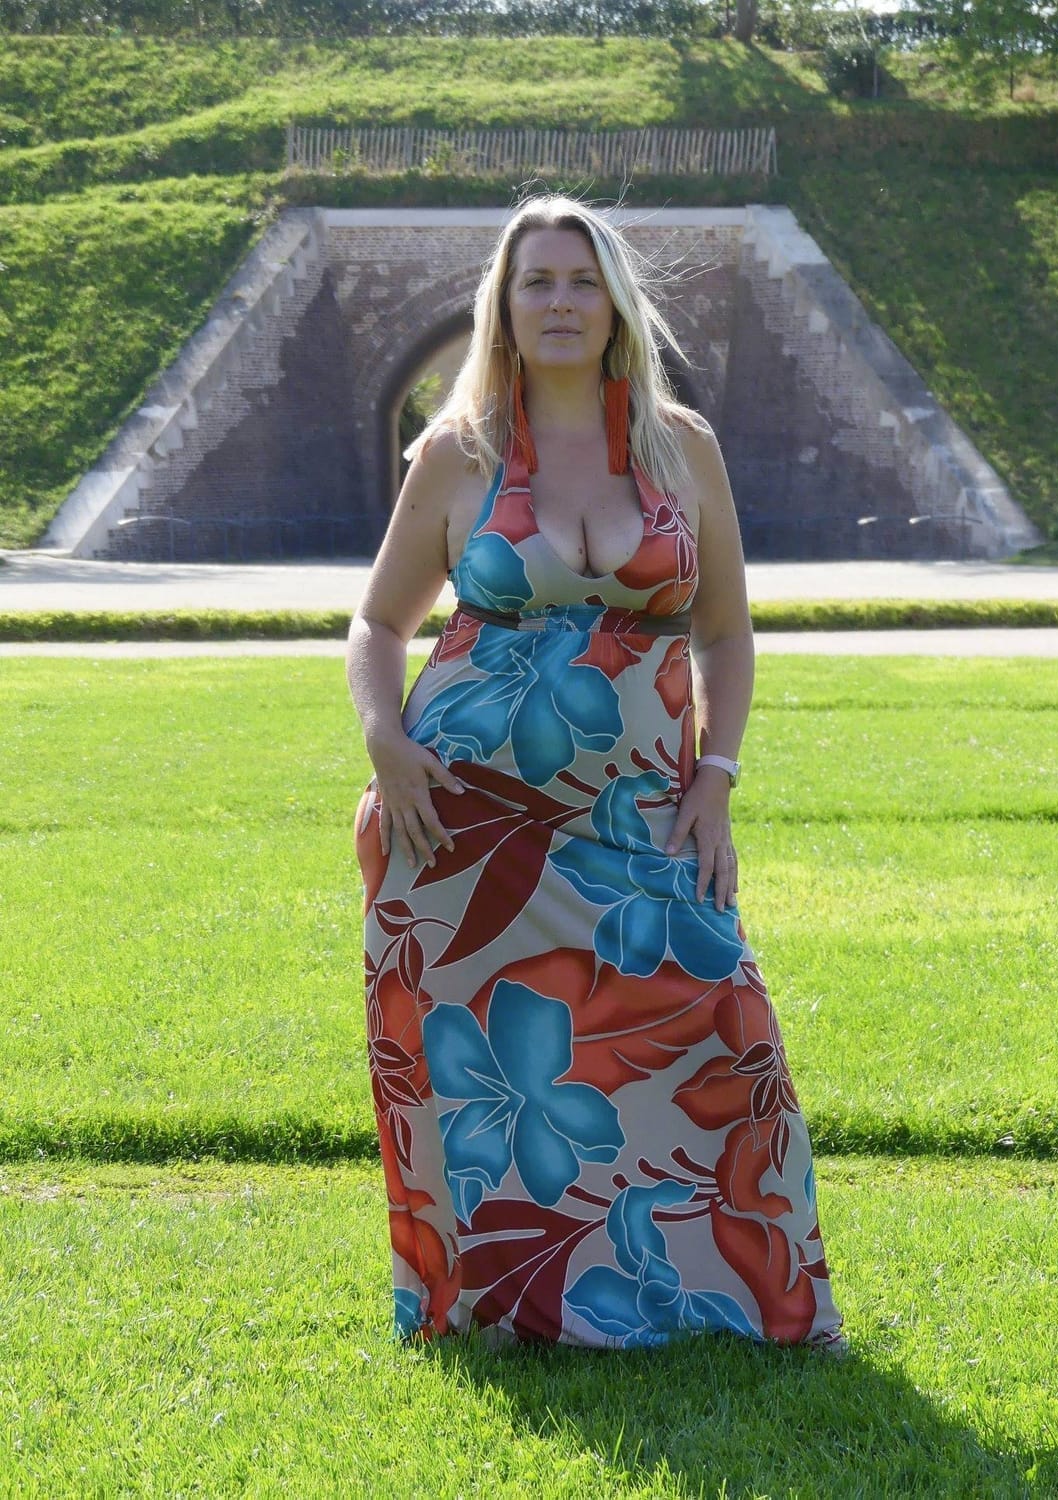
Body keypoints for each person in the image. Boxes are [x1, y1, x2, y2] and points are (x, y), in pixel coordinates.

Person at [347, 194, 844, 1351]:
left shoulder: (681, 446)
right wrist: (383, 739)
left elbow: (724, 632)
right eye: (537, 282)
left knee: (724, 1024)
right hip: (460, 827)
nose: (561, 301)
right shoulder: (459, 451)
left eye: (582, 280)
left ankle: (755, 1306)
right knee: (482, 1083)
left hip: (641, 810)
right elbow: (378, 624)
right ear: (505, 306)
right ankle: (503, 1312)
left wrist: (718, 773)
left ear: (617, 303)